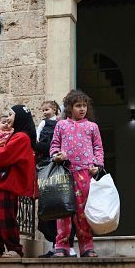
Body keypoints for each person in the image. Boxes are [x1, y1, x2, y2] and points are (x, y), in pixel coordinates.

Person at [50, 90, 104, 258]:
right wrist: (56, 155)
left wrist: (98, 165)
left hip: (85, 173)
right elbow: (54, 145)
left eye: (85, 106)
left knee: (83, 212)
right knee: (63, 212)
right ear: (69, 107)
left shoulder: (92, 127)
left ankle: (87, 246)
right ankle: (61, 245)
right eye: (78, 106)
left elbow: (98, 148)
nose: (82, 109)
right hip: (65, 173)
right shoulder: (61, 125)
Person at [0, 105, 37, 258]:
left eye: (12, 115)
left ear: (20, 117)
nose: (9, 118)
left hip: (10, 181)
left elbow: (4, 155)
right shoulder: (17, 135)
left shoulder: (21, 137)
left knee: (6, 215)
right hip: (4, 179)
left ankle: (14, 248)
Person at [35, 100, 77, 258]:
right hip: (47, 169)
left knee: (64, 206)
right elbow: (45, 145)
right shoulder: (44, 125)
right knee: (50, 206)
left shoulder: (65, 126)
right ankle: (55, 245)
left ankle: (69, 244)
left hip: (64, 169)